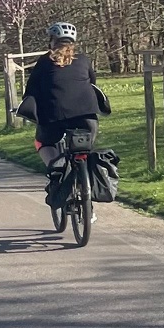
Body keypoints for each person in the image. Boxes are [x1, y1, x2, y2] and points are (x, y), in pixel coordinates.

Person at [16, 22, 109, 197]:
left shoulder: (44, 62)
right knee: (84, 150)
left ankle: (57, 172)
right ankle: (86, 187)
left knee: (43, 143)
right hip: (87, 117)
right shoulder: (83, 60)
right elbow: (92, 84)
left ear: (52, 41)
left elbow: (31, 91)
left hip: (54, 118)